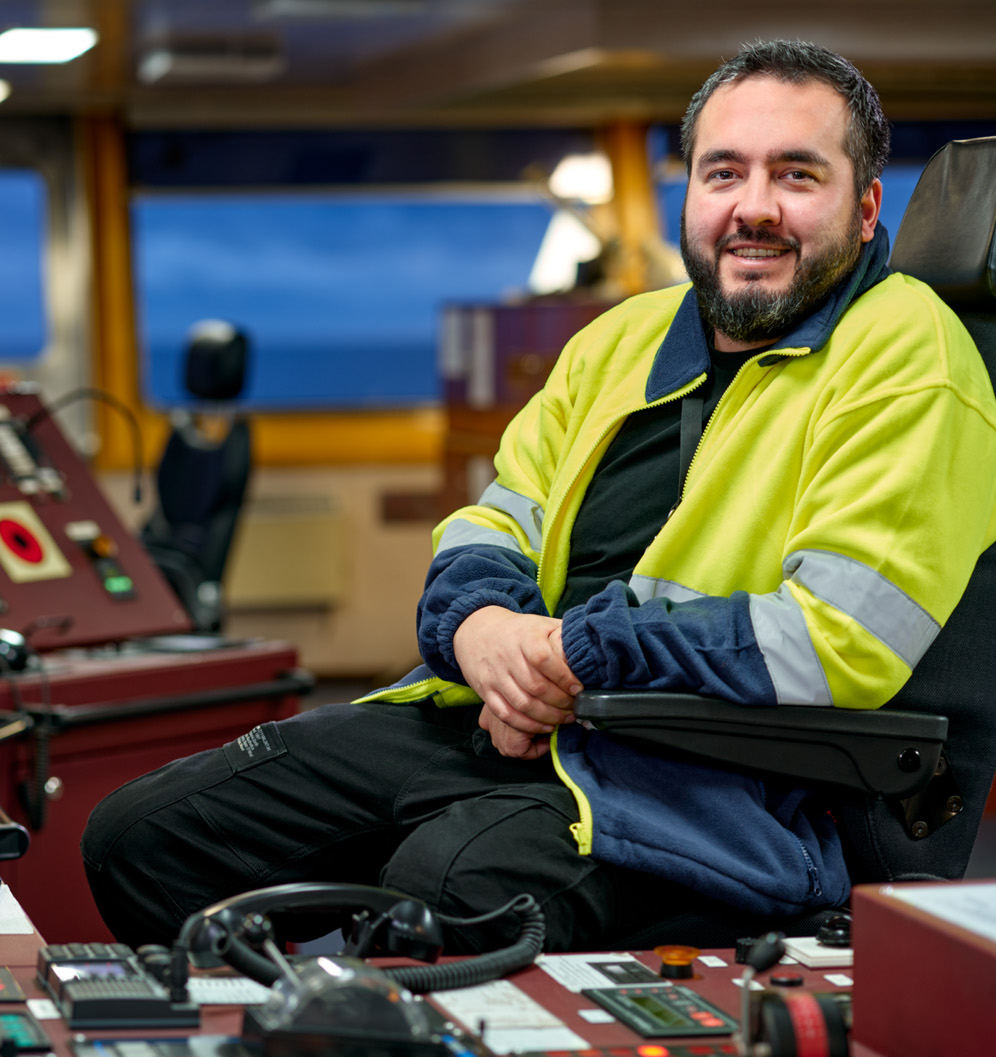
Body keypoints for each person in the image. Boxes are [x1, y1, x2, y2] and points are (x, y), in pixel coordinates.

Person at [82, 40, 996, 952]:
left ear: (866, 204)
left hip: (721, 782)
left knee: (449, 891)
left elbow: (840, 641)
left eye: (797, 175)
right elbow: (493, 518)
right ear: (692, 196)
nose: (753, 207)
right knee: (144, 840)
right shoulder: (621, 339)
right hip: (504, 719)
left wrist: (566, 654)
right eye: (724, 173)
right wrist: (480, 628)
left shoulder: (911, 354)